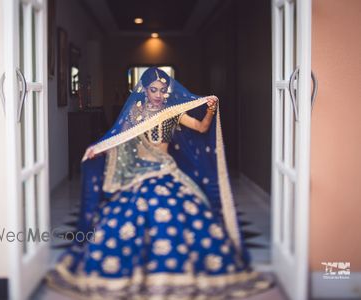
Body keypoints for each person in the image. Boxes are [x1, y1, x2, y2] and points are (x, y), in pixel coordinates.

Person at [45, 67, 275, 299]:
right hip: (140, 173)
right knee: (127, 213)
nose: (158, 94)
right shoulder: (135, 114)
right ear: (144, 90)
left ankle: (178, 272)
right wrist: (99, 149)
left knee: (184, 208)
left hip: (166, 170)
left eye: (162, 90)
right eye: (153, 89)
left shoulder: (172, 112)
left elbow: (201, 128)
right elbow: (119, 139)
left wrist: (210, 109)